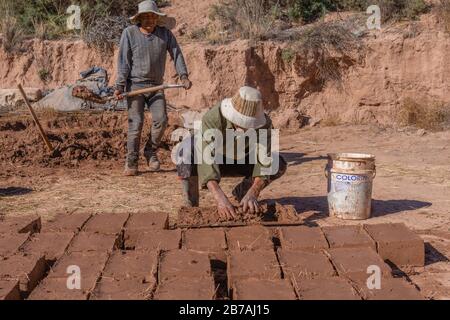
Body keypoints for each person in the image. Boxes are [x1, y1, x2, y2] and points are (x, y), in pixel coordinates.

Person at [177, 86, 287, 220]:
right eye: (241, 122)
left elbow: (264, 163)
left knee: (277, 163)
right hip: (216, 161)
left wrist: (254, 191)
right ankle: (191, 209)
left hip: (242, 159)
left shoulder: (265, 124)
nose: (245, 128)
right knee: (185, 152)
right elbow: (207, 159)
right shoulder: (214, 117)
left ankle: (243, 193)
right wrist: (220, 198)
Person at [114, 0, 192, 176]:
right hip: (135, 86)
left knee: (161, 119)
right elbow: (123, 62)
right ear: (139, 18)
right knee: (136, 124)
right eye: (145, 16)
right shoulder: (129, 33)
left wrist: (184, 75)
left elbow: (177, 54)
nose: (149, 20)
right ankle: (131, 161)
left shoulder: (165, 34)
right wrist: (119, 85)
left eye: (152, 16)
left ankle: (150, 151)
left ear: (157, 18)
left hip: (157, 86)